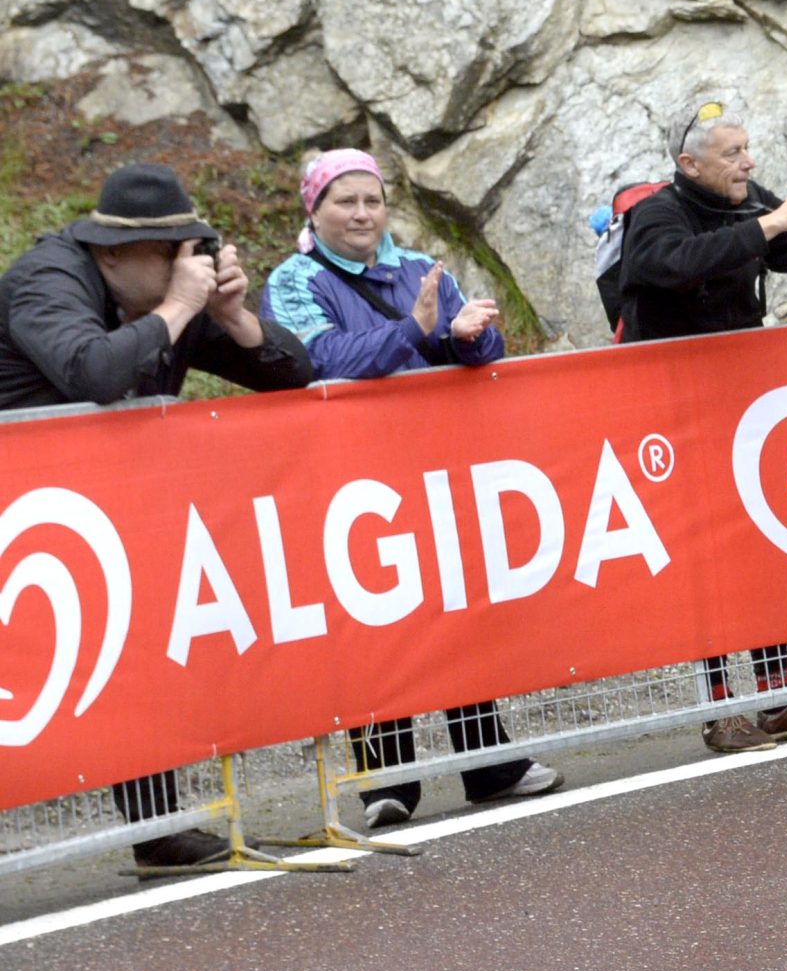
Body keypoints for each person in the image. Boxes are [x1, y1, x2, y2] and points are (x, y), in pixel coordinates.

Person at [0, 162, 315, 869]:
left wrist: (232, 318)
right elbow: (96, 372)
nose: (191, 264)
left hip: (91, 513)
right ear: (110, 252)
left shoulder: (168, 299)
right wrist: (178, 306)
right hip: (18, 511)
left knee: (134, 651)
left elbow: (294, 377)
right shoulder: (46, 280)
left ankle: (156, 829)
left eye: (195, 247)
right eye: (172, 250)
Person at [262, 148, 563, 828]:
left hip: (436, 468)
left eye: (373, 199)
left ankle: (490, 762)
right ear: (315, 209)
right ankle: (386, 784)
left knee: (457, 612)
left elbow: (482, 352)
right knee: (378, 624)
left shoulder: (418, 268)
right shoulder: (292, 280)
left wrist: (466, 340)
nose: (363, 213)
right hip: (345, 481)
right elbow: (319, 359)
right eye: (346, 200)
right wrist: (415, 331)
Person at [617, 97, 787, 753]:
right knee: (708, 561)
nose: (748, 162)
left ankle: (777, 698)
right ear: (688, 163)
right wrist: (771, 223)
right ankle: (720, 707)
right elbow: (670, 264)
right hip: (674, 417)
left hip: (741, 403)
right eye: (732, 153)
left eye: (747, 149)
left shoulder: (745, 198)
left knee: (760, 543)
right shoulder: (655, 214)